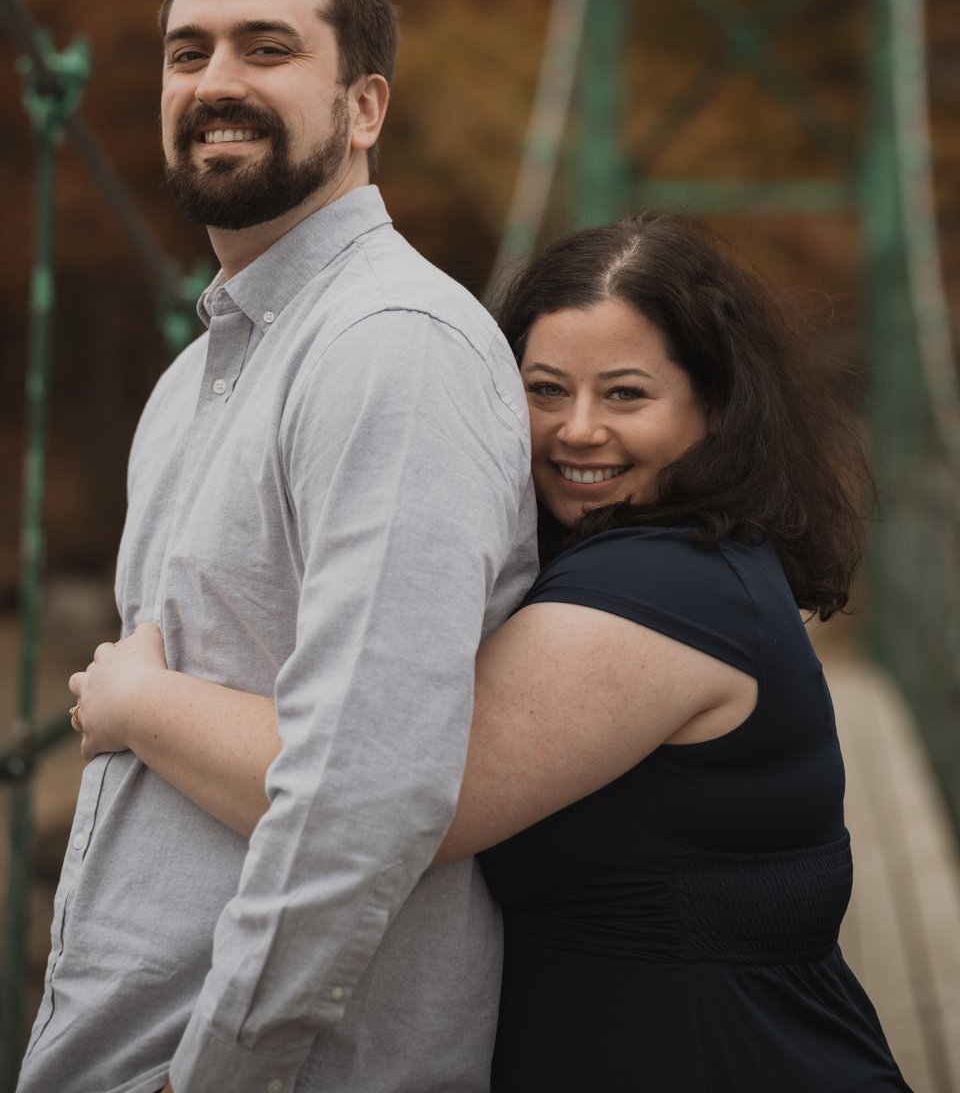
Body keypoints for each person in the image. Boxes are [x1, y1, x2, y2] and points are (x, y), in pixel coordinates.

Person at [70, 212, 911, 1091]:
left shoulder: (669, 587)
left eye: (625, 395)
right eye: (545, 390)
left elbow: (387, 805)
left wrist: (138, 702)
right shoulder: (651, 566)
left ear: (716, 411)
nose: (577, 429)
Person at [18, 0, 538, 1093]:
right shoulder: (191, 381)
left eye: (267, 48)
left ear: (365, 108)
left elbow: (367, 794)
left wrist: (218, 1074)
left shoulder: (393, 350)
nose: (216, 83)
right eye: (187, 53)